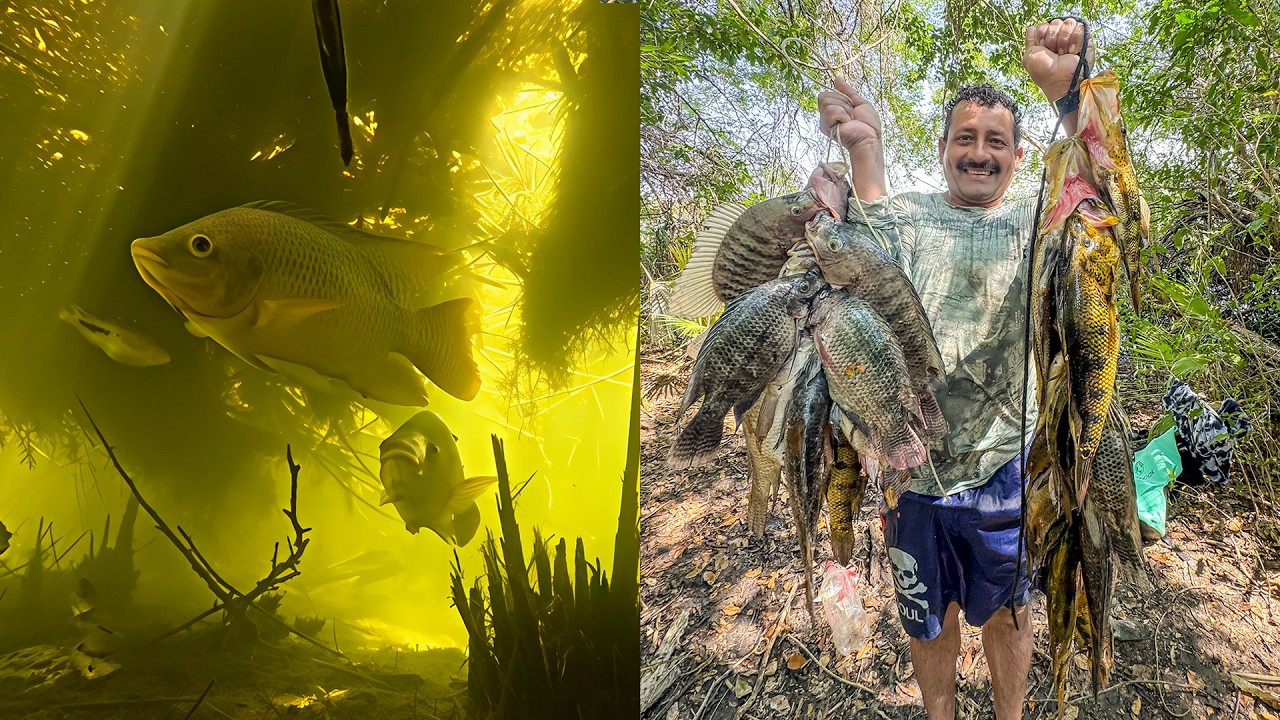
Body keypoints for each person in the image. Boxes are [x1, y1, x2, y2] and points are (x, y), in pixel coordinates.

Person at [816, 18, 1092, 720]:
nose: (978, 153)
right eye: (964, 138)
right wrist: (864, 145)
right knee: (928, 617)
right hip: (914, 470)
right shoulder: (909, 218)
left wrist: (1069, 92)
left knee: (1008, 615)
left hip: (1007, 469)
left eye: (994, 141)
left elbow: (1102, 186)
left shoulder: (1039, 220)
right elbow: (869, 226)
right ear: (942, 150)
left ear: (1019, 156)